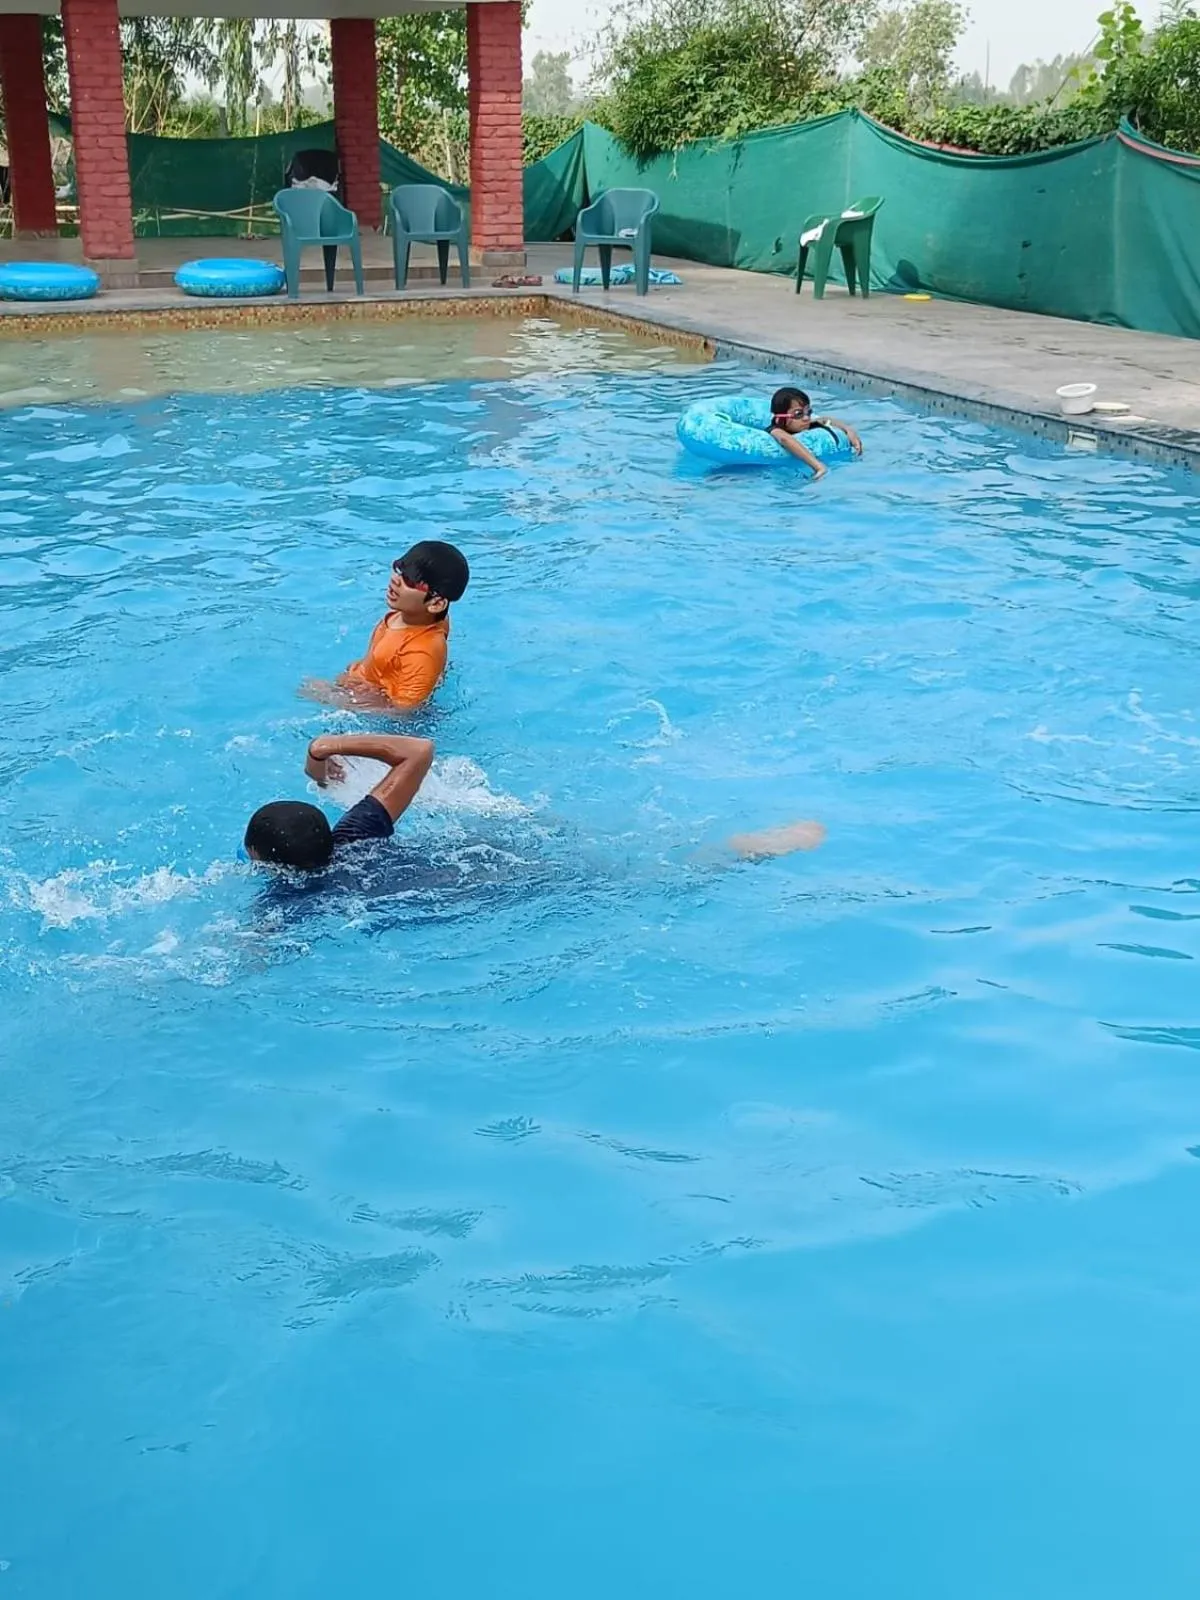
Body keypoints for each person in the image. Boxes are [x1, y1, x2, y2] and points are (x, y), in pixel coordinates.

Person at [243, 732, 826, 874]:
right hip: (486, 860)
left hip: (475, 897)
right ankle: (739, 849)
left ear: (259, 861)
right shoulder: (358, 833)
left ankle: (732, 854)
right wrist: (328, 745)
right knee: (625, 871)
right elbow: (417, 751)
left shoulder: (290, 903)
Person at [301, 539, 469, 712]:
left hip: (377, 715)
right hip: (363, 684)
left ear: (436, 603)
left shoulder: (421, 652)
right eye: (399, 569)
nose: (396, 580)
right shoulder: (415, 616)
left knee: (306, 690)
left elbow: (404, 713)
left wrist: (338, 699)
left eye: (410, 581)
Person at [244, 733, 434, 870]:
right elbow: (419, 750)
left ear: (255, 855)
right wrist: (324, 747)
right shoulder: (356, 836)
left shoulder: (282, 904)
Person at [768, 386, 863, 480]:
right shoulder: (775, 430)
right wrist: (818, 467)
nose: (806, 418)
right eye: (798, 414)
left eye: (808, 412)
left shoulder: (809, 425)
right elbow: (785, 439)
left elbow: (825, 420)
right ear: (779, 419)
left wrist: (848, 430)